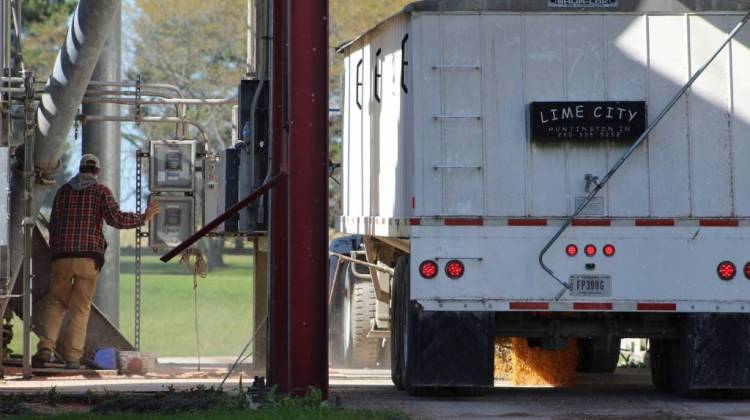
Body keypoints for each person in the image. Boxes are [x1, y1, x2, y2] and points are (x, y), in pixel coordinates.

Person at [32, 154, 160, 369]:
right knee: (80, 308)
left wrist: (56, 252)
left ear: (80, 169)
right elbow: (116, 219)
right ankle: (72, 357)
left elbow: (53, 224)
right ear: (97, 172)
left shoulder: (63, 191)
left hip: (61, 257)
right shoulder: (101, 191)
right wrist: (143, 218)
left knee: (55, 302)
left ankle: (45, 347)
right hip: (88, 259)